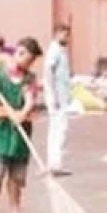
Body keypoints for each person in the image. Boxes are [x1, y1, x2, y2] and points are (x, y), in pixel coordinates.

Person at [0, 37, 44, 213]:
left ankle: (15, 211)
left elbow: (29, 98)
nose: (29, 64)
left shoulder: (29, 78)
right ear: (19, 52)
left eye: (32, 61)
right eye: (28, 59)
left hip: (20, 132)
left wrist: (22, 114)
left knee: (17, 174)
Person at [44, 26, 73, 177]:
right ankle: (55, 165)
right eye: (65, 35)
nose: (67, 38)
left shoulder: (60, 50)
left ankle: (54, 164)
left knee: (57, 130)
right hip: (57, 98)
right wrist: (54, 95)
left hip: (60, 97)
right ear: (56, 34)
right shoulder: (54, 51)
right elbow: (49, 73)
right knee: (59, 130)